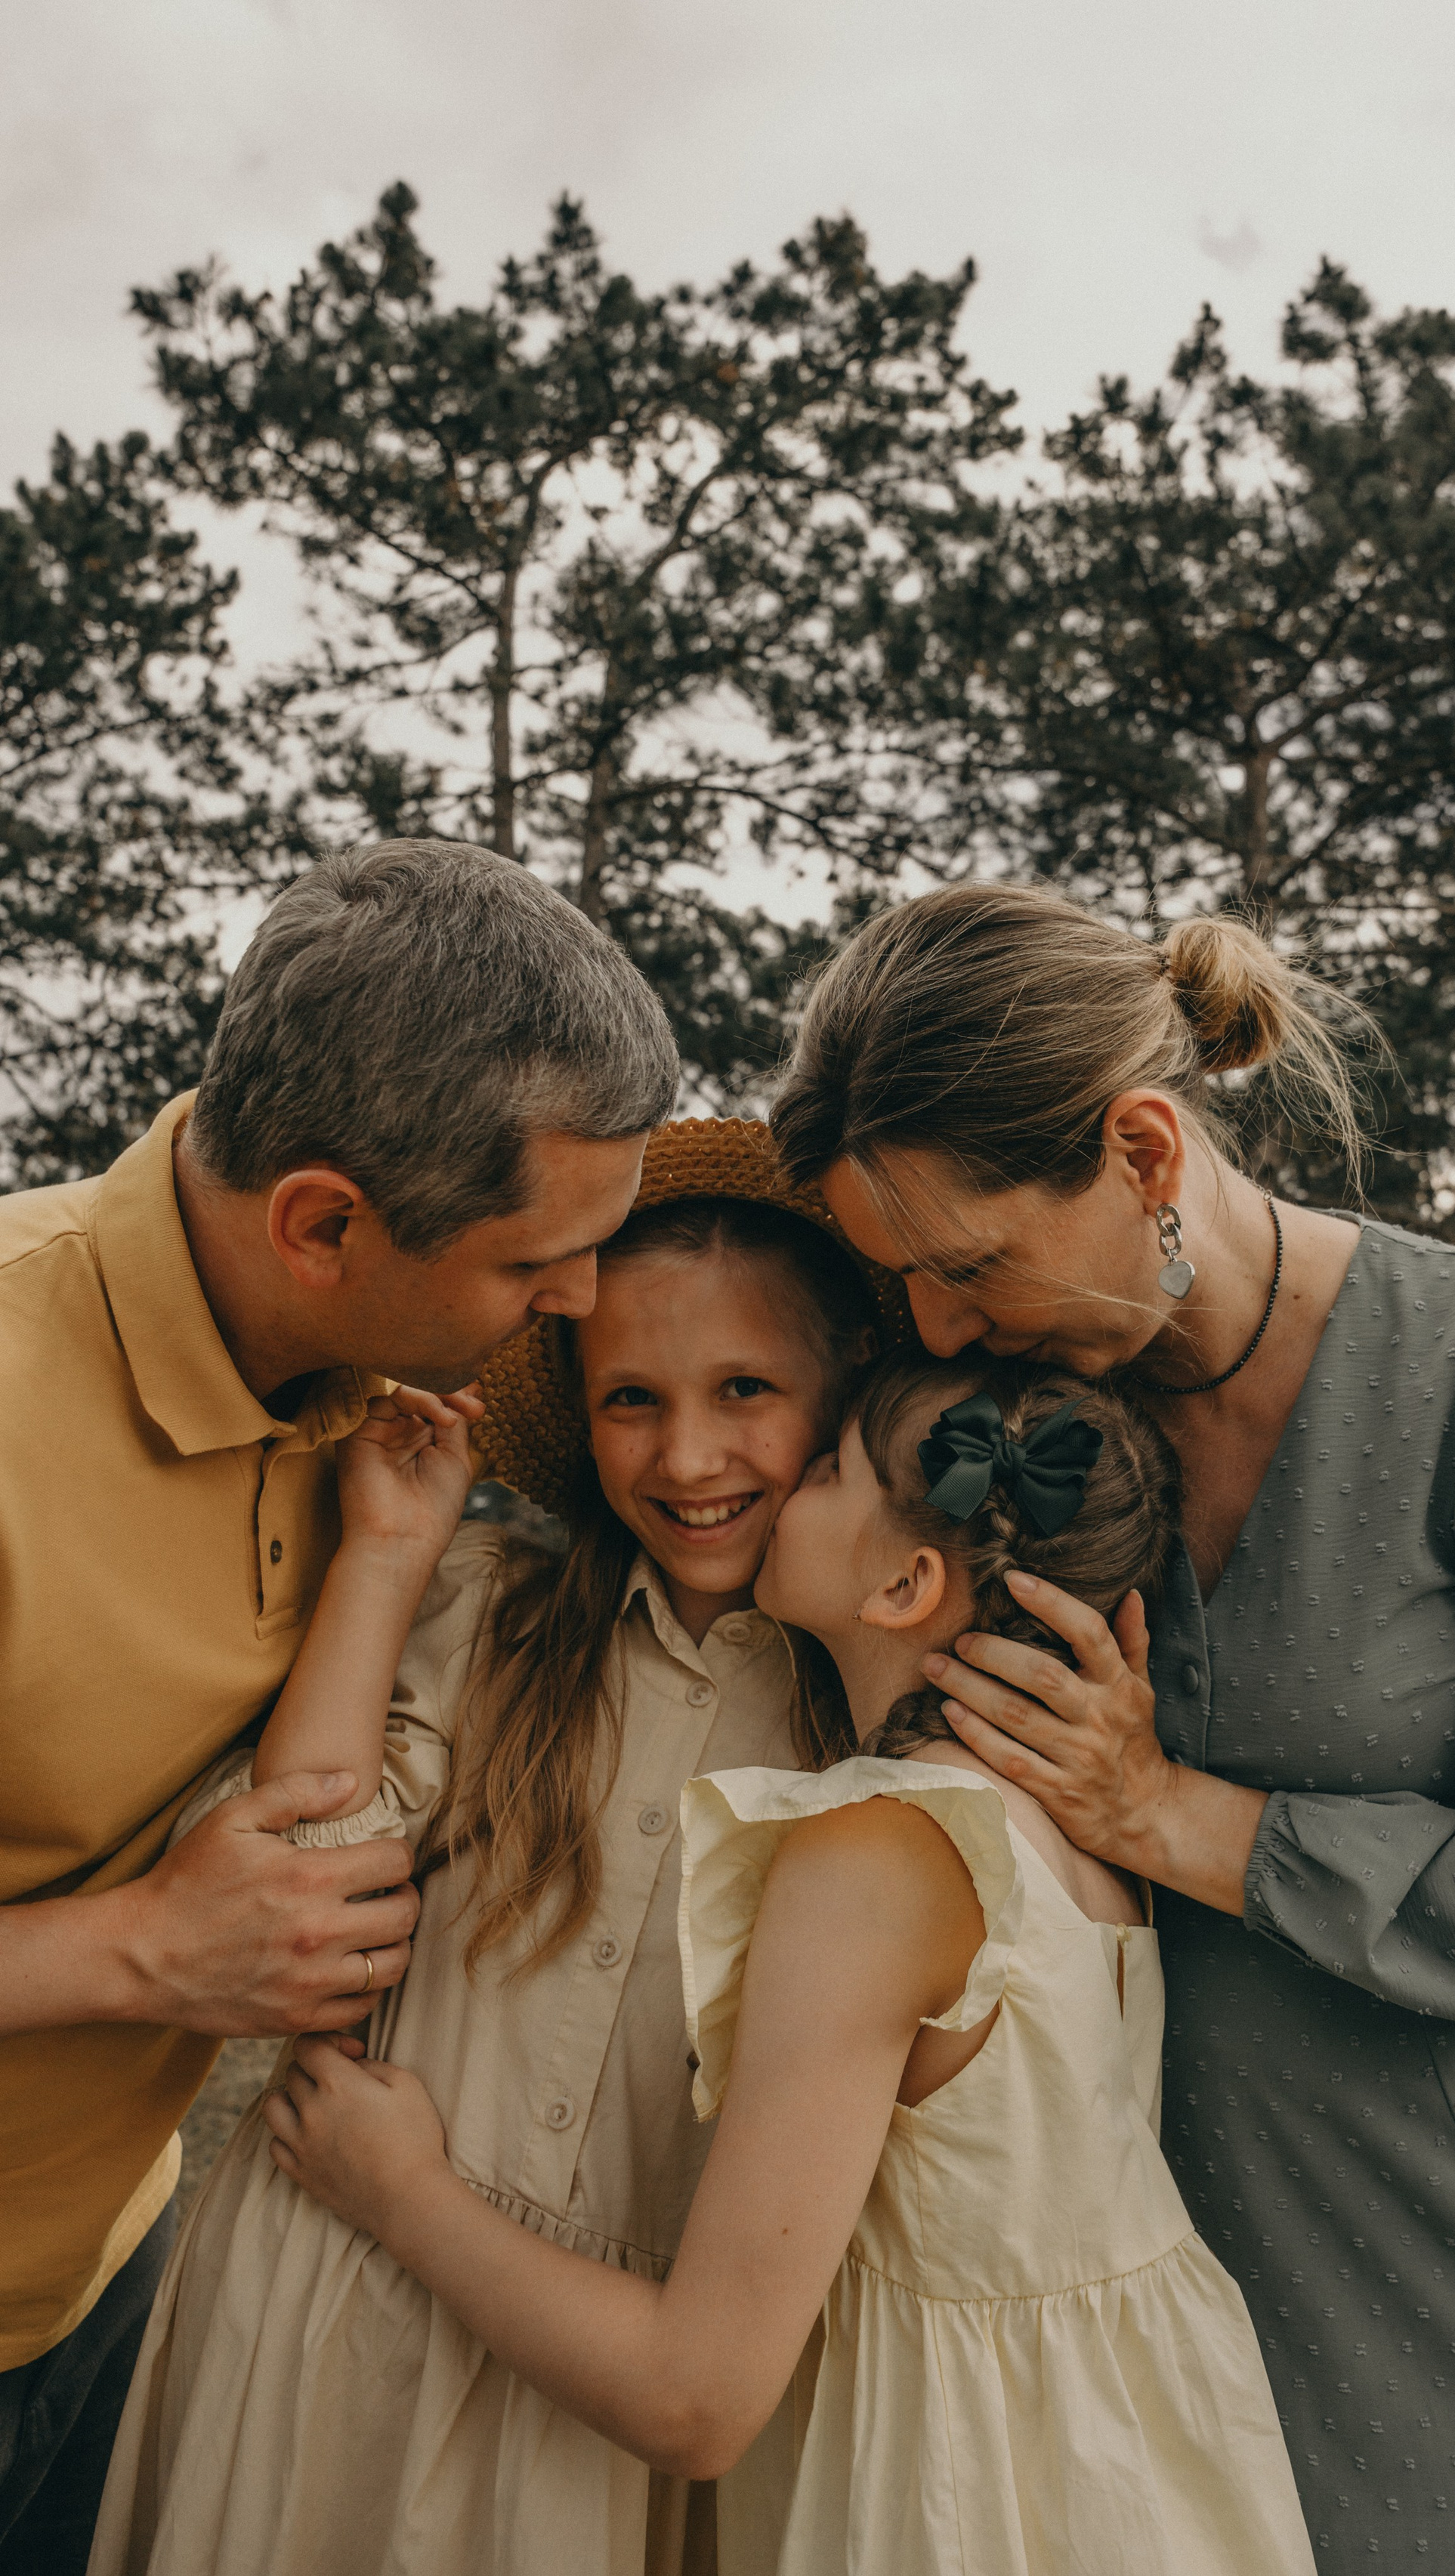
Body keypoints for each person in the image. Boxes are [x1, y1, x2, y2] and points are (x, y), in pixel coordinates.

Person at [761, 880, 1455, 2576]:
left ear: (1145, 1153)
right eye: (902, 1283)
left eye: (965, 1267)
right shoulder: (1020, 1433)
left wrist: (1177, 1816)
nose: (929, 1330)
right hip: (1246, 2304)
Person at [229, 1348, 1316, 2576]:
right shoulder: (1071, 1829)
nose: (783, 1477)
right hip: (1116, 2474)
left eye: (830, 1465)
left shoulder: (876, 1856)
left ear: (906, 1581)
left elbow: (693, 2399)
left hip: (949, 2501)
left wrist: (404, 2192)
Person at [0, 837, 674, 2576]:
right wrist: (145, 1951)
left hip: (94, 2279)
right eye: (542, 1257)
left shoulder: (369, 1399)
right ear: (321, 1222)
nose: (579, 1306)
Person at [91, 1123, 894, 2576]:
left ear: (844, 1396)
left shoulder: (877, 1717)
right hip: (334, 2302)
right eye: (633, 1399)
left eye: (747, 1392)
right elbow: (312, 1854)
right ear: (580, 1417)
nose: (689, 1455)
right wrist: (388, 1556)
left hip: (608, 2374)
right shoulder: (495, 1610)